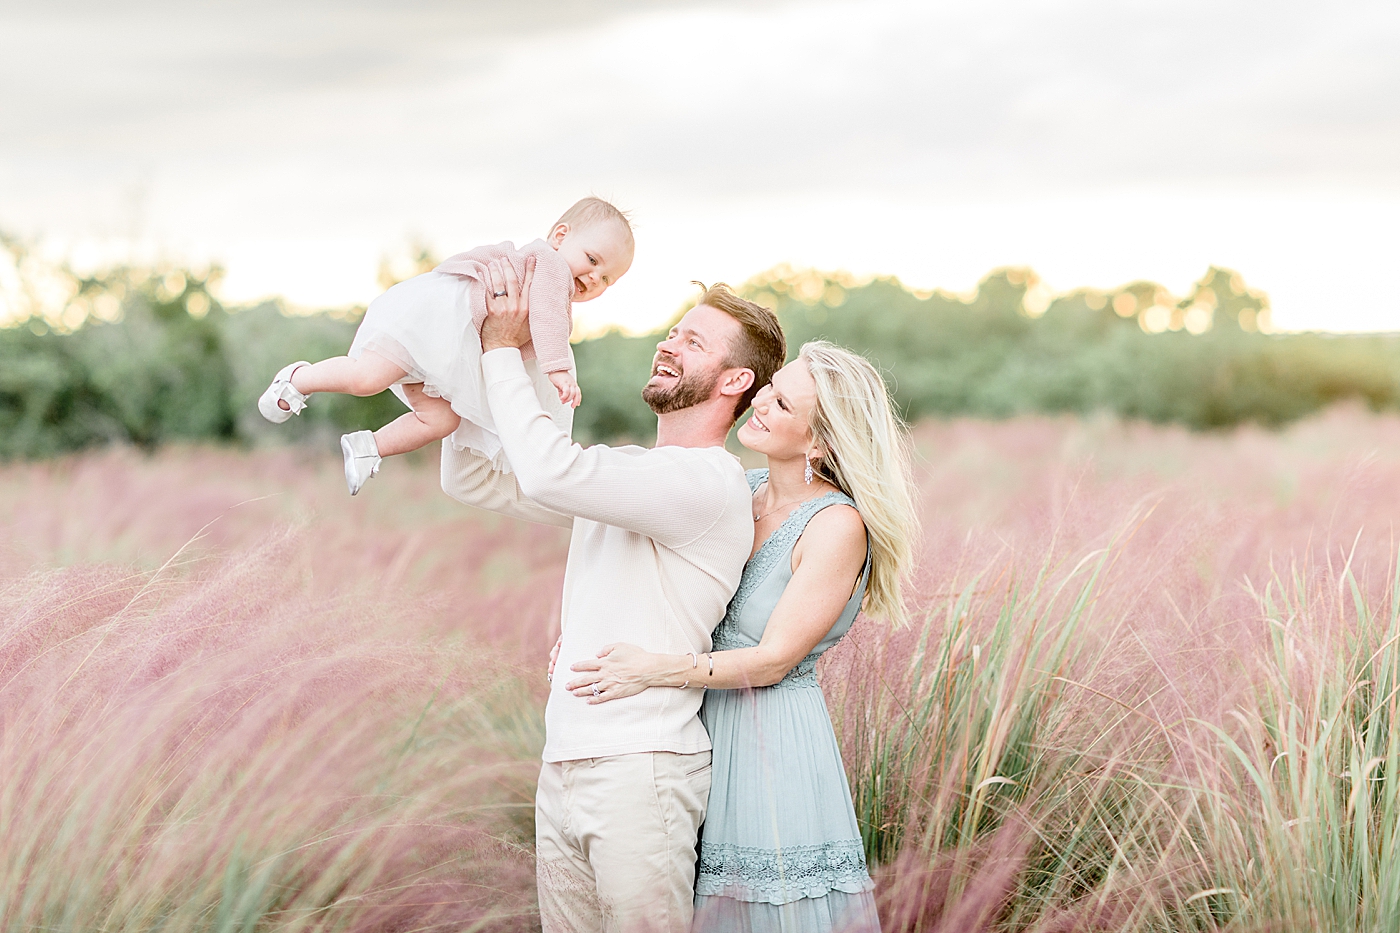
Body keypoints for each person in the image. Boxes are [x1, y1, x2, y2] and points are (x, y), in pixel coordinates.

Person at [442, 268, 787, 933]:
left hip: (642, 768)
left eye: (692, 341)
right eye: (671, 332)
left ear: (734, 380)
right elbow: (470, 479)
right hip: (566, 758)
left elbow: (548, 468)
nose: (668, 345)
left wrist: (500, 352)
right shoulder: (630, 473)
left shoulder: (702, 482)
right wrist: (461, 380)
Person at [562, 341, 918, 933]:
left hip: (767, 740)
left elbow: (775, 659)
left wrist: (652, 668)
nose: (759, 399)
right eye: (770, 387)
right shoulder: (737, 489)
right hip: (690, 729)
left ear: (820, 442)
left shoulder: (837, 526)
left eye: (781, 401)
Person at [256, 197, 634, 495]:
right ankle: (297, 378)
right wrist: (559, 369)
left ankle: (368, 447)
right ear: (561, 236)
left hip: (444, 354)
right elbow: (549, 321)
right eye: (592, 259)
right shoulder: (550, 268)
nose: (595, 278)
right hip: (430, 328)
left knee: (441, 420)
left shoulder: (556, 287)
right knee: (365, 377)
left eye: (607, 279)